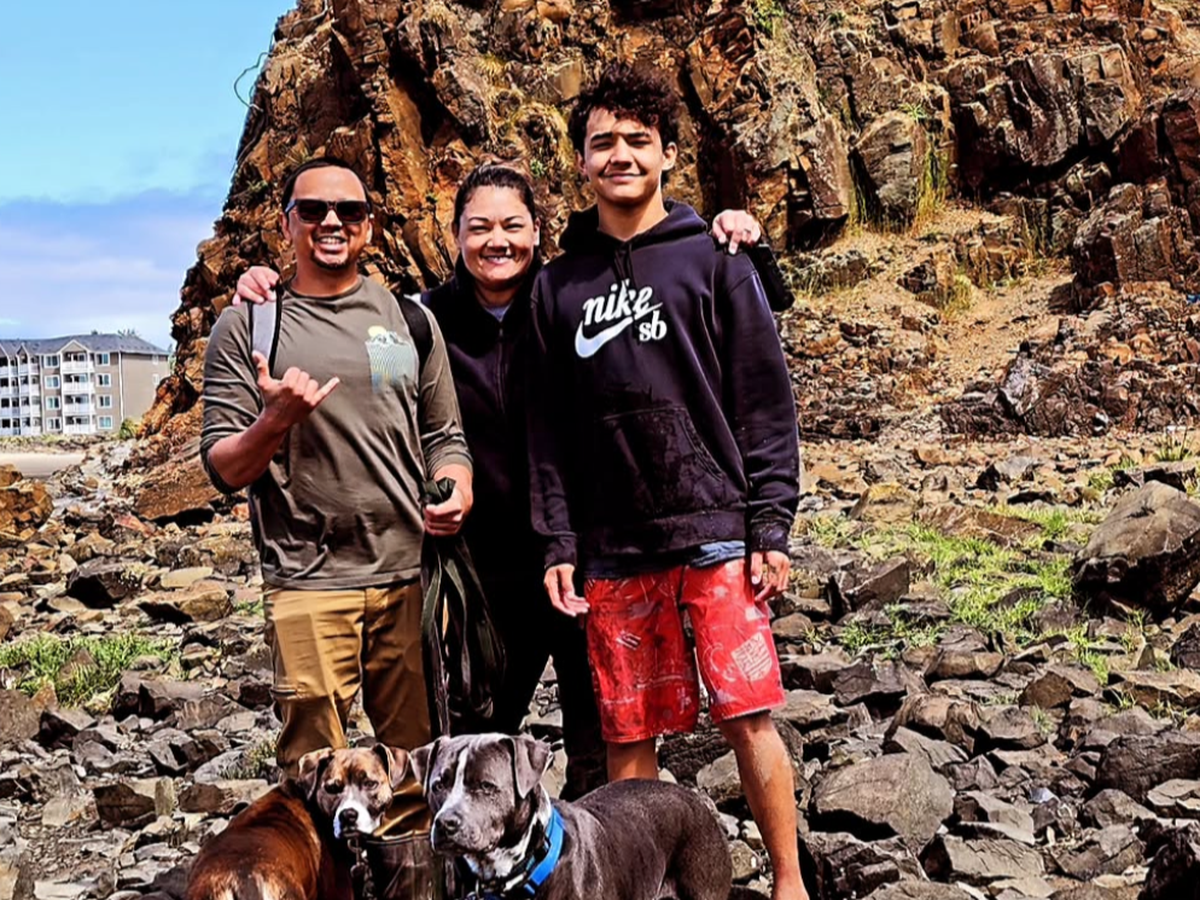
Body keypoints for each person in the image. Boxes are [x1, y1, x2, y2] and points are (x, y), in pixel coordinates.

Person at [234, 165, 769, 799]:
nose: (498, 241)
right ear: (455, 235)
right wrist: (267, 287)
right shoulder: (423, 321)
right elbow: (366, 365)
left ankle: (592, 855)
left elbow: (669, 290)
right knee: (473, 746)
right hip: (480, 573)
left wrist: (732, 234)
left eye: (512, 225)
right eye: (479, 227)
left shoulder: (577, 296)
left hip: (587, 559)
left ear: (538, 231)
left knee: (602, 740)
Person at [525, 63, 809, 900]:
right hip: (613, 549)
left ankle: (790, 882)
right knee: (629, 734)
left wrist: (771, 523)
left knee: (748, 714)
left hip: (718, 531)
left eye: (637, 140)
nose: (620, 155)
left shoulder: (716, 260)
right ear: (581, 161)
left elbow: (764, 401)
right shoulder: (556, 286)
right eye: (602, 142)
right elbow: (546, 430)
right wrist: (558, 540)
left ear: (668, 155)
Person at [201, 156, 470, 899]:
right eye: (313, 209)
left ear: (369, 227)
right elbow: (223, 467)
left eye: (348, 211)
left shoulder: (409, 319)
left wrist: (458, 487)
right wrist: (275, 420)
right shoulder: (250, 324)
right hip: (307, 583)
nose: (331, 222)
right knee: (312, 778)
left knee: (413, 769)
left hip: (408, 577)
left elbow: (445, 434)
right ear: (285, 222)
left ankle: (412, 891)